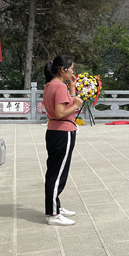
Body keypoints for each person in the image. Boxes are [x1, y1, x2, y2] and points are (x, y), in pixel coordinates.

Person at [43, 55, 83, 226]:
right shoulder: (58, 87)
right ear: (62, 69)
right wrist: (76, 106)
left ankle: (56, 206)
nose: (73, 71)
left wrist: (72, 86)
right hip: (62, 131)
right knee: (58, 174)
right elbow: (61, 112)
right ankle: (54, 214)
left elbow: (66, 103)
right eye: (71, 68)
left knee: (55, 171)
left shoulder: (52, 85)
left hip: (55, 130)